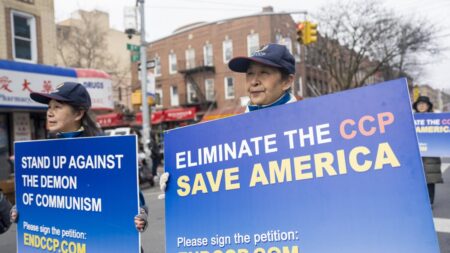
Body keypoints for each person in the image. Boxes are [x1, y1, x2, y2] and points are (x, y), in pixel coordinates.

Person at [10, 82, 148, 232]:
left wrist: (141, 215)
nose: (49, 113)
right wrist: (21, 210)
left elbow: (133, 201)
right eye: (49, 107)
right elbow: (41, 196)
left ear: (78, 113)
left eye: (57, 107)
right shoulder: (43, 156)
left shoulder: (107, 151)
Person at [159, 43, 297, 194]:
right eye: (250, 74)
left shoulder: (306, 126)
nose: (254, 81)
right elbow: (217, 182)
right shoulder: (233, 132)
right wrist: (177, 183)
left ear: (287, 81)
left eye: (264, 73)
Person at [413, 95, 443, 205]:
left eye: (423, 104)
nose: (421, 106)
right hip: (416, 154)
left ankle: (430, 202)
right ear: (416, 106)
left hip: (430, 155)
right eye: (419, 104)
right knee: (417, 180)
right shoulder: (411, 118)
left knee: (429, 180)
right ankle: (420, 202)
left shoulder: (435, 119)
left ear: (428, 106)